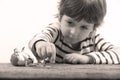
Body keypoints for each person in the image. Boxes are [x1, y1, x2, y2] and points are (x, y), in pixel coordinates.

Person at [28, 0, 120, 64]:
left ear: (93, 29)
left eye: (84, 27)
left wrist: (88, 58)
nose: (74, 32)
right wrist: (41, 44)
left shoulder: (93, 39)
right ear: (60, 17)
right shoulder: (56, 31)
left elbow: (118, 53)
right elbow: (37, 39)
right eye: (70, 22)